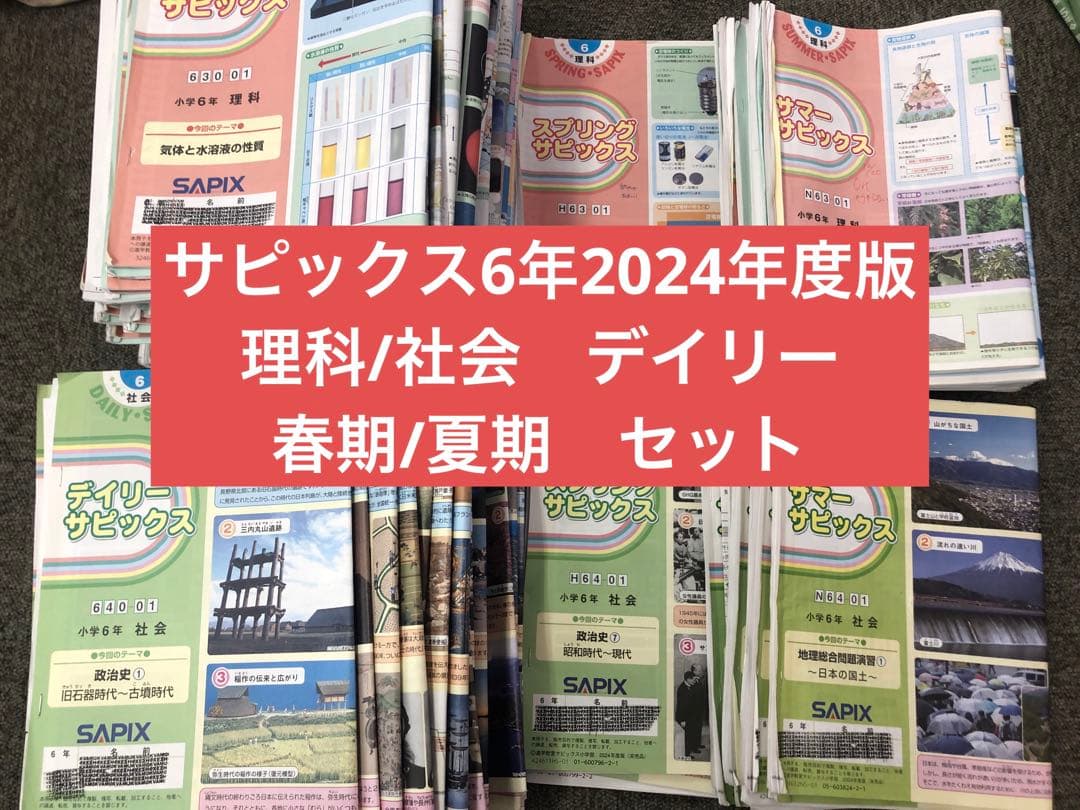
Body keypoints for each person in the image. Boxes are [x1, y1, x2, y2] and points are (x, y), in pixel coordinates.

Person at [675, 666, 706, 758]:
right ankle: (687, 754)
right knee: (687, 735)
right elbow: (681, 707)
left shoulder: (689, 686)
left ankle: (693, 748)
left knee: (692, 732)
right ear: (688, 679)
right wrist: (682, 720)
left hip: (691, 715)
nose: (694, 681)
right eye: (693, 680)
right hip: (684, 717)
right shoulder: (682, 689)